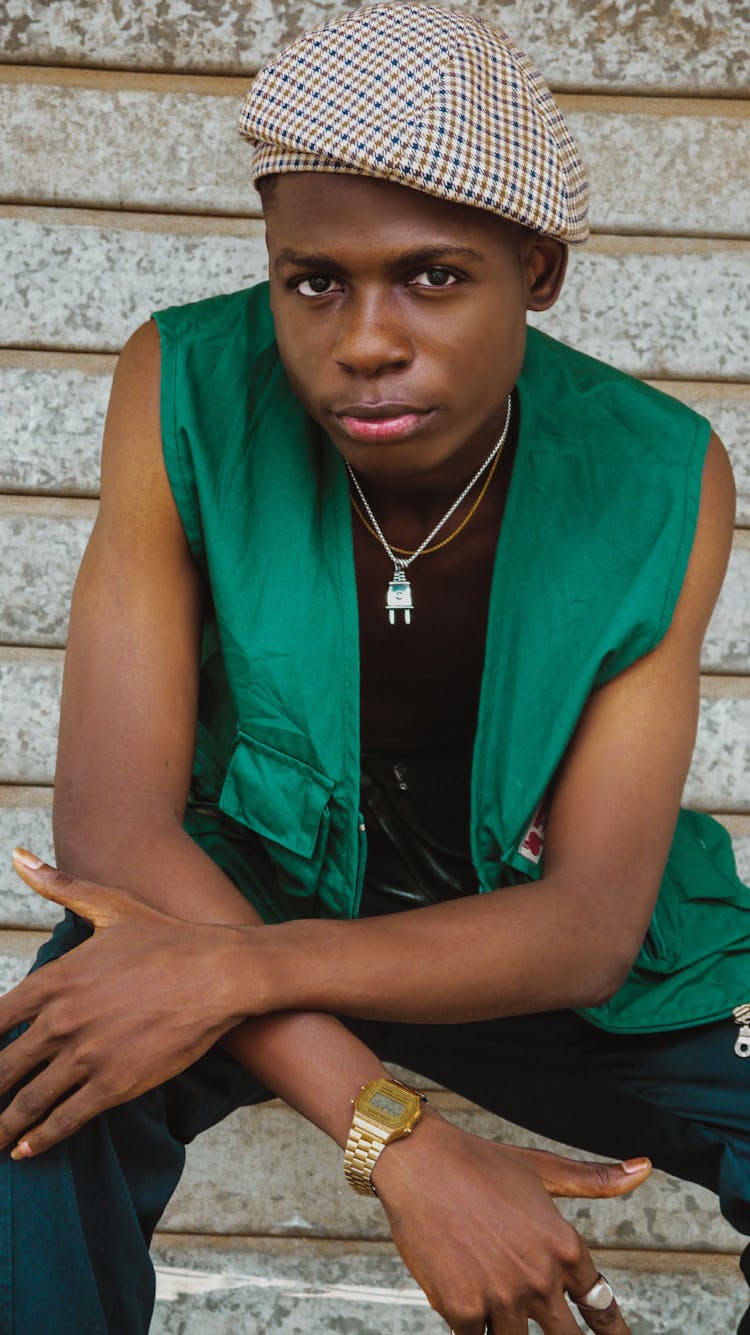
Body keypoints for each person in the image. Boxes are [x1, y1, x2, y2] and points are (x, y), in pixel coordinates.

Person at [1, 4, 748, 1332]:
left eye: (435, 276)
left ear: (538, 268)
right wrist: (399, 1140)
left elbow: (581, 929)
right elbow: (115, 829)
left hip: (500, 934)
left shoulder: (656, 473)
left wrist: (235, 976)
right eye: (312, 280)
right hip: (229, 887)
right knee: (27, 1103)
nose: (361, 339)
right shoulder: (180, 382)